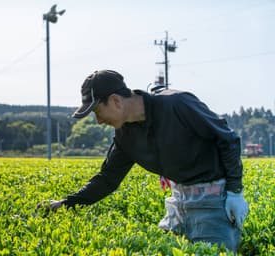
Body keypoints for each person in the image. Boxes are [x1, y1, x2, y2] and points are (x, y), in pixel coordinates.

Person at [40, 70, 249, 252]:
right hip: (178, 204)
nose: (99, 120)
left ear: (115, 101)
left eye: (97, 111)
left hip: (213, 204)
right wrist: (66, 204)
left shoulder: (177, 104)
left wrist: (234, 192)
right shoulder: (125, 135)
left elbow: (227, 138)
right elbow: (107, 179)